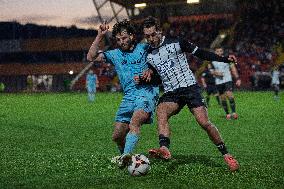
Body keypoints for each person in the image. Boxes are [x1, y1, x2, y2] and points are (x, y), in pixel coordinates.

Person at [137, 17, 239, 171]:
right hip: (171, 92)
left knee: (204, 123)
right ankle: (164, 148)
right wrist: (145, 78)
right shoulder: (149, 54)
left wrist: (224, 59)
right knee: (161, 110)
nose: (150, 39)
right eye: (147, 36)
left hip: (189, 87)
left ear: (159, 31)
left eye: (153, 35)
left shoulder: (177, 42)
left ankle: (226, 154)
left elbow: (202, 53)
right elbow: (157, 78)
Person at [87, 20, 159, 168]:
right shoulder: (115, 54)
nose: (121, 42)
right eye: (118, 39)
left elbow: (160, 57)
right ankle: (125, 158)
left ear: (132, 36)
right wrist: (100, 36)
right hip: (128, 97)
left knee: (135, 122)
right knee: (117, 136)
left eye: (124, 38)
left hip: (146, 93)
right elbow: (91, 57)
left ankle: (126, 156)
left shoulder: (144, 48)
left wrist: (151, 71)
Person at [210, 47, 241, 120]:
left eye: (221, 51)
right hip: (218, 82)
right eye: (217, 51)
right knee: (223, 98)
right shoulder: (212, 61)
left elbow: (233, 68)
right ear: (215, 52)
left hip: (227, 80)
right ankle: (227, 114)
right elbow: (211, 71)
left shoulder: (227, 59)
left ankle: (234, 112)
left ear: (222, 51)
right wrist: (216, 73)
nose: (219, 52)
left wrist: (237, 78)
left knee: (229, 94)